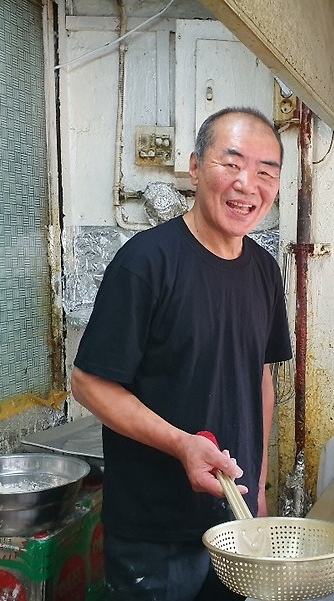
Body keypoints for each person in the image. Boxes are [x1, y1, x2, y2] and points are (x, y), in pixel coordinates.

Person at [71, 106, 293, 601]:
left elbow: (260, 378)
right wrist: (181, 445)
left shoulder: (263, 270)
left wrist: (256, 486)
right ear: (195, 167)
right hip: (156, 535)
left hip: (235, 524)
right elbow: (88, 383)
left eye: (265, 171)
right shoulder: (146, 262)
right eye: (230, 164)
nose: (247, 184)